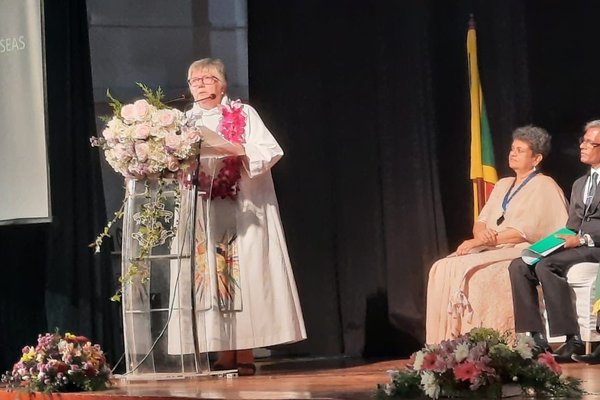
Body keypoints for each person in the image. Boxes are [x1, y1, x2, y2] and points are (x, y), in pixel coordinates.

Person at [168, 58, 306, 375]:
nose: (200, 83)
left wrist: (237, 150)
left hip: (243, 207)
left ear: (222, 83)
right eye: (194, 80)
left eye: (207, 77)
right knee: (211, 276)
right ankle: (221, 350)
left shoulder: (243, 114)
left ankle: (245, 350)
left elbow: (269, 150)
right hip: (203, 210)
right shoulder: (184, 122)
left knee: (242, 275)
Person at [426, 125, 568, 344]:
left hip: (522, 252)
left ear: (536, 158)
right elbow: (481, 221)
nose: (513, 153)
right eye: (512, 148)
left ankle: (490, 342)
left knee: (475, 275)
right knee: (443, 266)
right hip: (490, 247)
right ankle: (447, 341)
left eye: (520, 150)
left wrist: (481, 241)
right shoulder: (503, 185)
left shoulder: (545, 185)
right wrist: (482, 236)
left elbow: (528, 231)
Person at [509, 120, 600, 363]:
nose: (583, 146)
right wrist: (548, 244)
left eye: (591, 143)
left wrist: (583, 238)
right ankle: (535, 339)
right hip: (577, 243)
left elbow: (582, 233)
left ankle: (572, 339)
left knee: (546, 265)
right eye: (583, 140)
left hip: (595, 246)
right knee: (520, 264)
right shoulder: (580, 183)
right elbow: (571, 225)